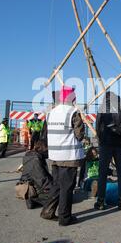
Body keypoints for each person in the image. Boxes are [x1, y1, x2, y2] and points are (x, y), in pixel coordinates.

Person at [40, 86, 85, 225]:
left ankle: (47, 211)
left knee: (57, 184)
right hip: (68, 156)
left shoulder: (50, 112)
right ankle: (65, 218)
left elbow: (46, 133)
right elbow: (80, 134)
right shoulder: (73, 112)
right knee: (67, 187)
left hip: (55, 155)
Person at [94, 91, 121, 211]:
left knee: (103, 173)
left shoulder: (103, 108)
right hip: (120, 145)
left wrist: (101, 139)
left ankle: (100, 201)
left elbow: (98, 126)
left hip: (106, 144)